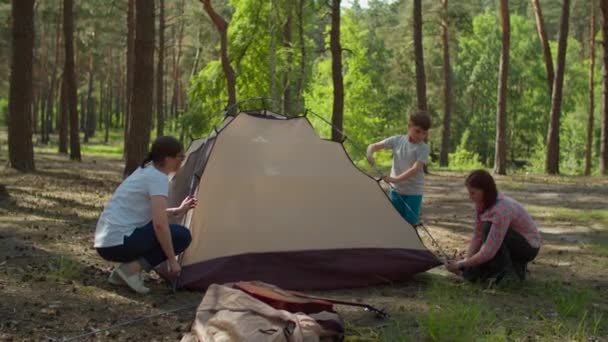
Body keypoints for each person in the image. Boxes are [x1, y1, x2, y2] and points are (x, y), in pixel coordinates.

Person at [94, 136, 196, 294]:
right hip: (118, 242)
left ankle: (121, 274)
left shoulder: (147, 170)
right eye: (180, 157)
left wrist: (177, 211)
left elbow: (151, 214)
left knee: (169, 231)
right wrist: (172, 260)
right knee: (181, 235)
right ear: (168, 158)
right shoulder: (158, 178)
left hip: (107, 242)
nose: (182, 161)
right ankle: (131, 270)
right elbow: (160, 225)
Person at [446, 170, 541, 284]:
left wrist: (460, 264)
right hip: (508, 240)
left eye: (473, 193)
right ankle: (512, 269)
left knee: (488, 228)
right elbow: (477, 236)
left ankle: (507, 274)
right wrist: (465, 263)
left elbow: (489, 251)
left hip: (528, 246)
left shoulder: (501, 209)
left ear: (485, 191)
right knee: (473, 273)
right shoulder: (481, 203)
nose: (470, 197)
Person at [366, 111, 431, 225]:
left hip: (414, 192)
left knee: (410, 224)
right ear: (409, 126)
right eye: (417, 131)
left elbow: (415, 169)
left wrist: (394, 179)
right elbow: (373, 146)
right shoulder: (397, 140)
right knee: (395, 223)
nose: (420, 135)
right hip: (396, 191)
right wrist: (370, 154)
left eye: (424, 133)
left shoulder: (423, 148)